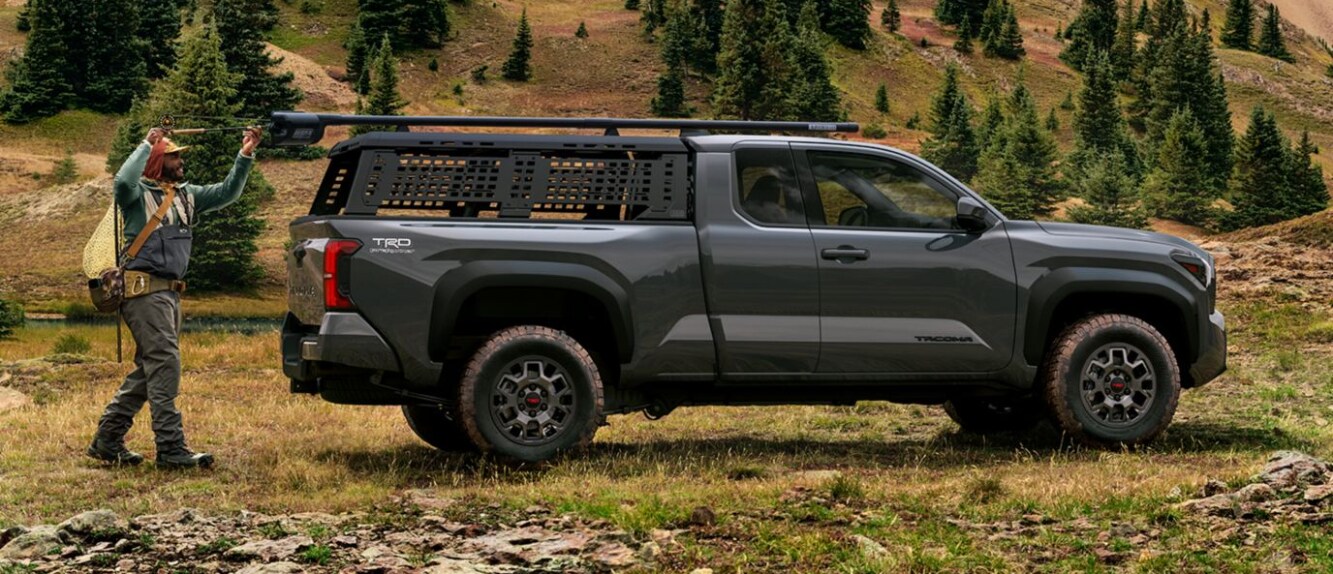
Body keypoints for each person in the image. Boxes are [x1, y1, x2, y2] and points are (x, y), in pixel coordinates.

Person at [87, 126, 262, 468]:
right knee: (166, 363)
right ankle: (170, 448)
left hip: (169, 296)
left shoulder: (187, 194)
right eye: (174, 156)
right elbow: (121, 182)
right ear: (157, 161)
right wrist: (145, 144)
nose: (181, 161)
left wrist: (245, 154)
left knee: (150, 367)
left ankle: (107, 439)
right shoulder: (136, 195)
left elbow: (227, 193)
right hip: (144, 294)